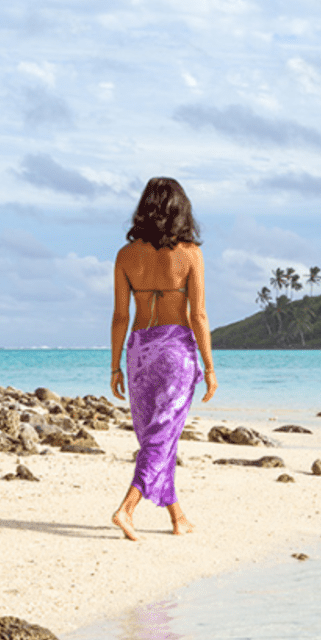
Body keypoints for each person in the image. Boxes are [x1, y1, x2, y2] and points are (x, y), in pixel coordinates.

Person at [109, 177, 217, 540]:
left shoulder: (125, 256)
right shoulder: (189, 254)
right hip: (175, 352)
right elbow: (198, 315)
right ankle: (127, 508)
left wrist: (113, 366)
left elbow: (120, 316)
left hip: (138, 351)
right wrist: (211, 367)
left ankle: (177, 517)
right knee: (161, 437)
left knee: (157, 437)